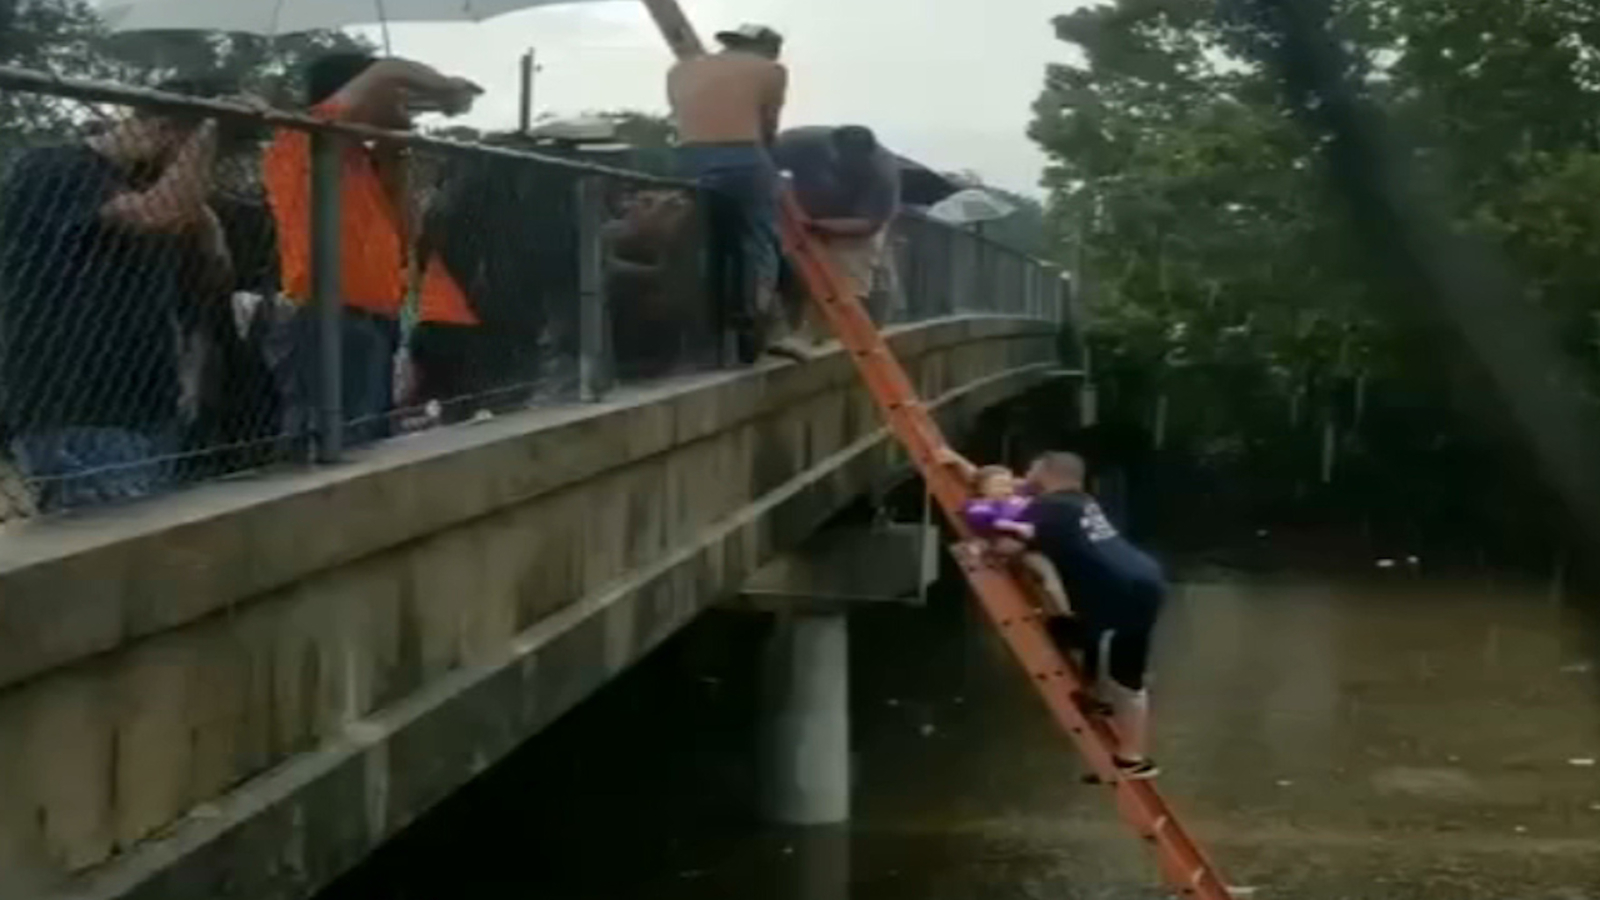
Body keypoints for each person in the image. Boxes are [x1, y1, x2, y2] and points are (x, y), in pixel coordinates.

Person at [0, 78, 234, 512]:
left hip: (147, 406)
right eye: (194, 157)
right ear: (165, 132)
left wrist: (207, 224)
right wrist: (211, 127)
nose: (200, 177)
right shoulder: (54, 167)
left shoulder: (132, 185)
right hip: (79, 407)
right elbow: (159, 212)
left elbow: (207, 272)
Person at [261, 52, 482, 448]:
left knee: (367, 440)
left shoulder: (362, 159)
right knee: (326, 440)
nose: (404, 106)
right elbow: (389, 68)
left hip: (376, 317)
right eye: (395, 97)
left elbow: (408, 234)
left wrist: (392, 154)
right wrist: (444, 88)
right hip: (325, 315)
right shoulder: (305, 136)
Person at [1021, 451, 1168, 780]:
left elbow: (1007, 544)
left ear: (1046, 472)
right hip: (1144, 579)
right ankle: (1129, 750)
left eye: (1031, 468)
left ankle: (1131, 754)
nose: (1024, 474)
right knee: (1125, 670)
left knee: (1119, 672)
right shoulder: (1079, 502)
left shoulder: (1049, 508)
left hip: (1119, 592)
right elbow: (1012, 490)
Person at [667, 24, 796, 362]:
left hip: (687, 158)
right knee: (758, 239)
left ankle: (691, 322)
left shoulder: (680, 70)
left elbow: (680, 115)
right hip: (742, 156)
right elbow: (768, 124)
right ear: (767, 47)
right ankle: (758, 319)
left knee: (694, 239)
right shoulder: (771, 71)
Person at [772, 125, 902, 345]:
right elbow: (760, 165)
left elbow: (869, 225)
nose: (845, 164)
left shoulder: (883, 172)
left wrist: (817, 226)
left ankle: (833, 335)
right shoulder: (800, 143)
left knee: (847, 281)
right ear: (831, 147)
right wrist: (787, 203)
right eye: (840, 158)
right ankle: (789, 330)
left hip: (852, 223)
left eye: (853, 162)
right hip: (801, 211)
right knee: (790, 271)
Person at [955, 460, 1072, 617]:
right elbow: (991, 521)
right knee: (985, 548)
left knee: (1048, 579)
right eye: (998, 484)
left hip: (1027, 549)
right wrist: (1017, 527)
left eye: (1008, 484)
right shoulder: (979, 504)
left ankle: (1061, 612)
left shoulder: (1017, 499)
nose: (1005, 488)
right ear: (982, 487)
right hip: (998, 546)